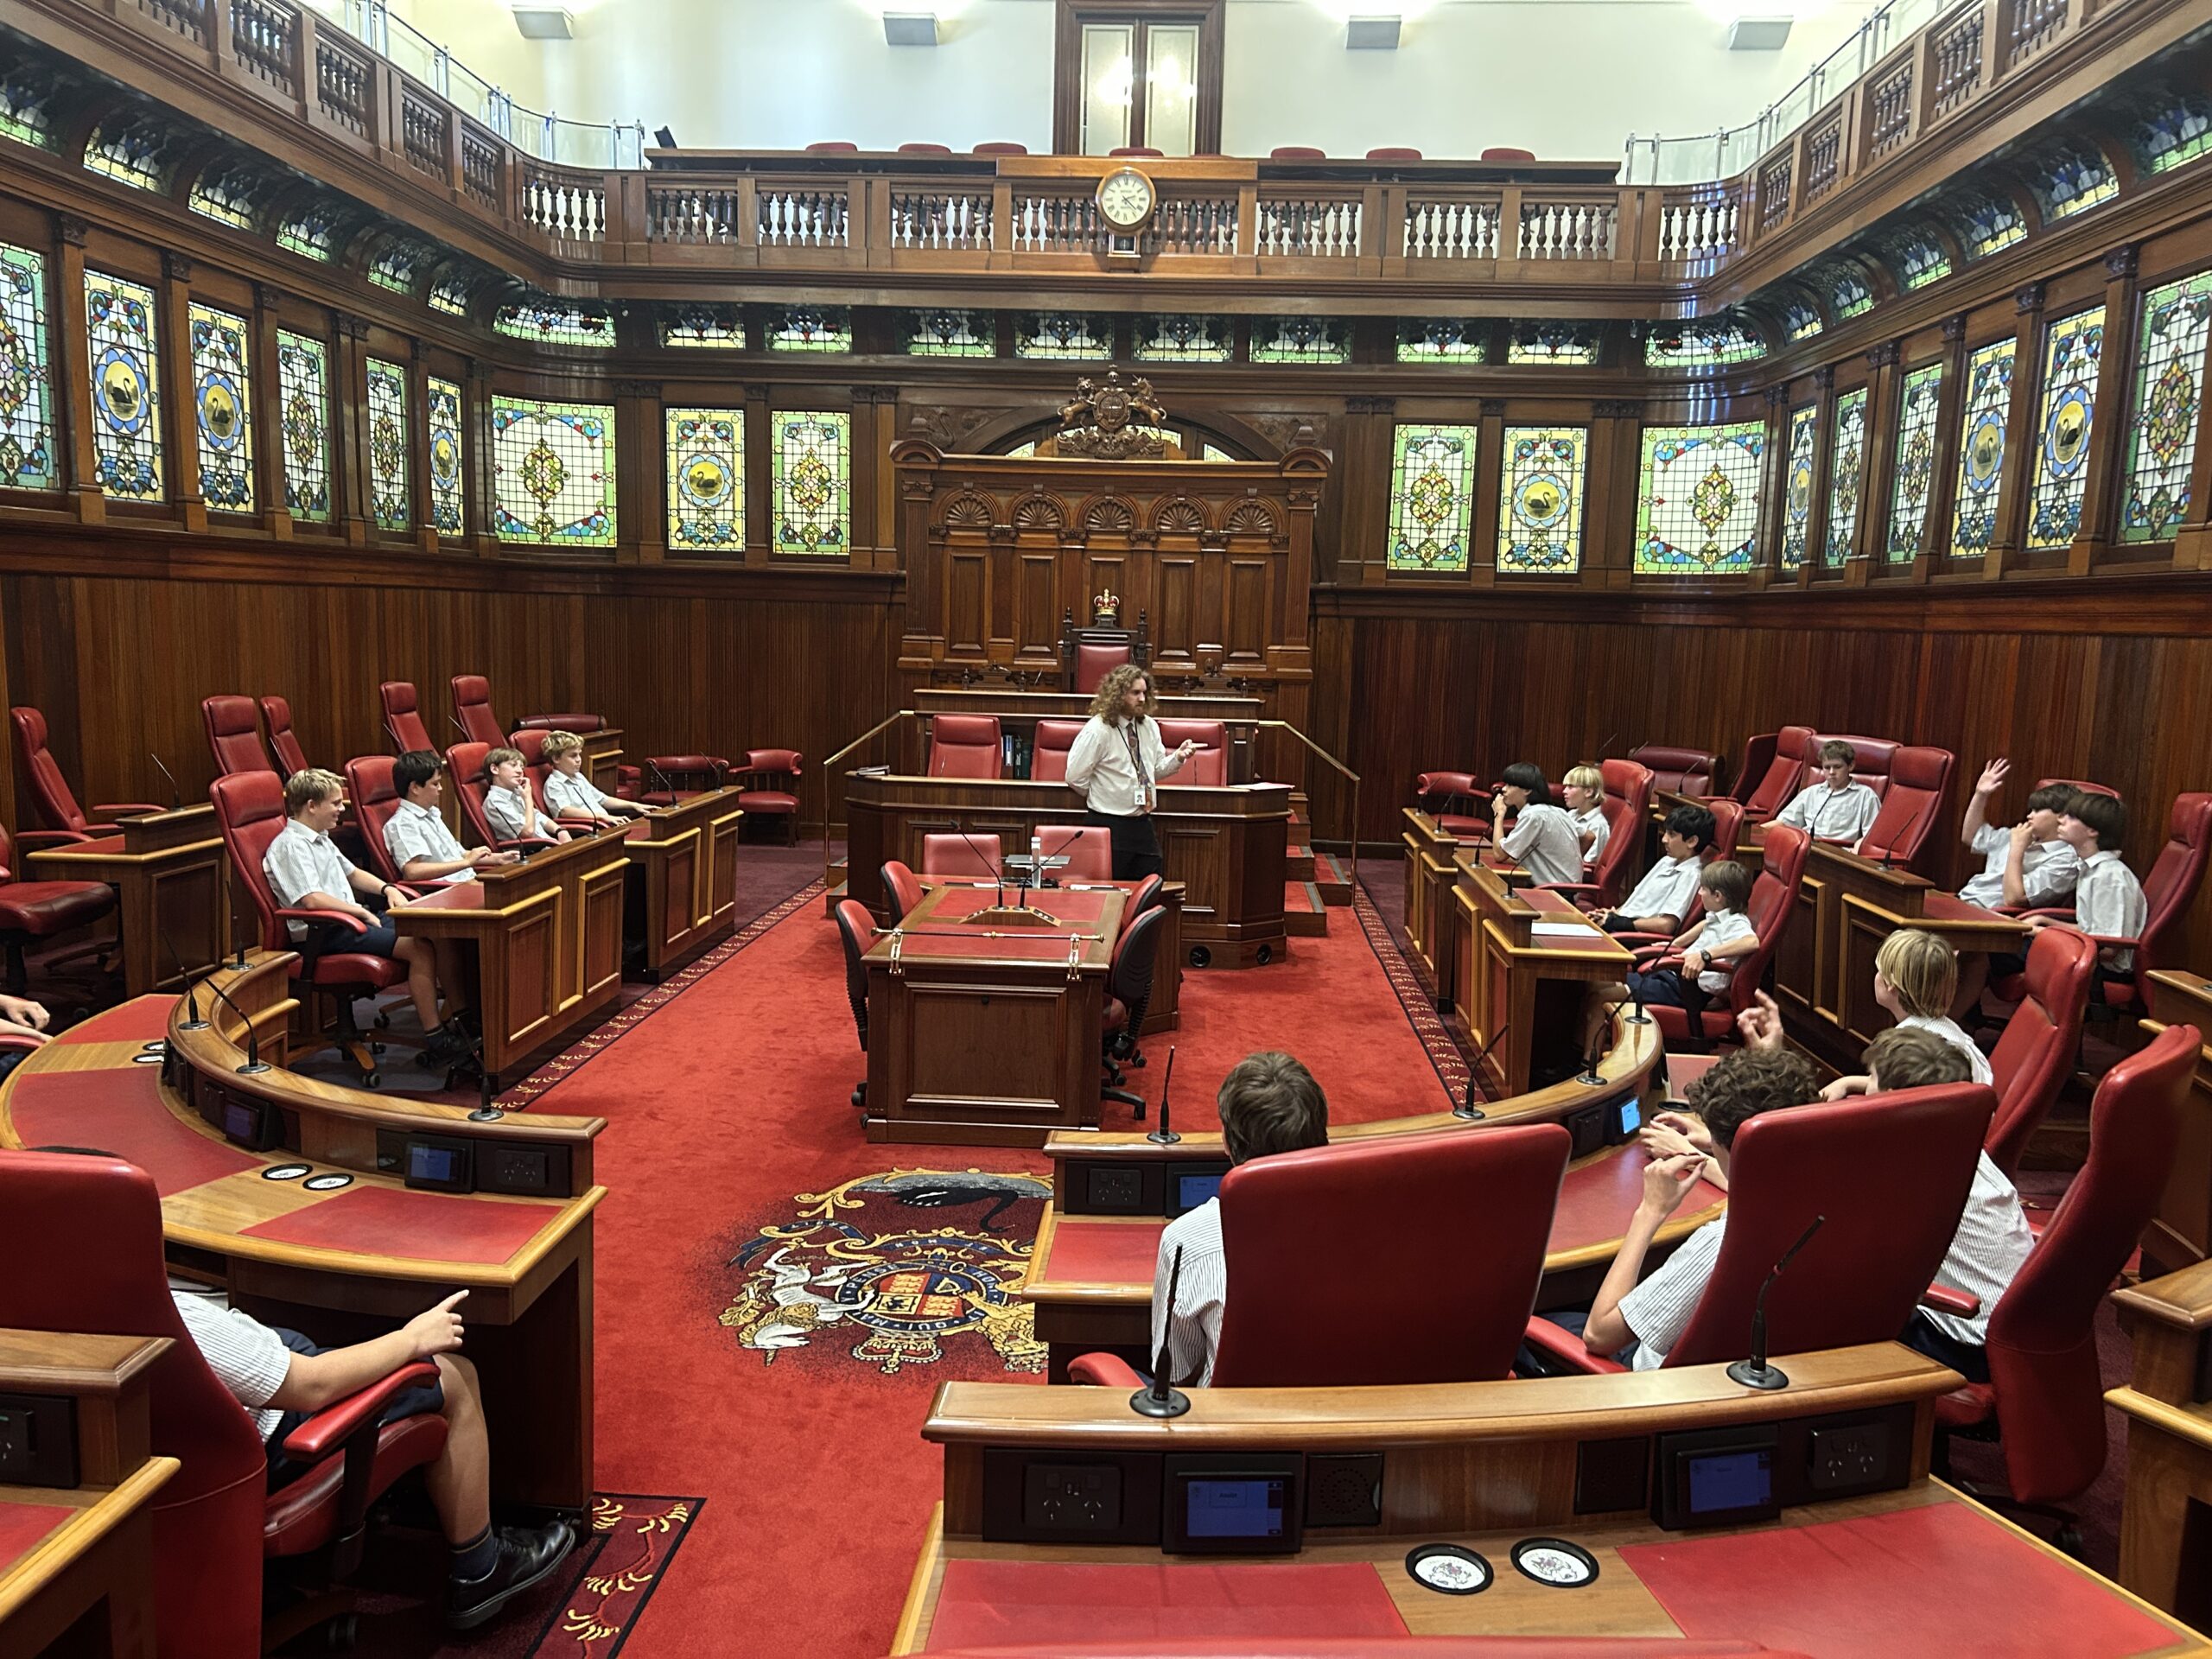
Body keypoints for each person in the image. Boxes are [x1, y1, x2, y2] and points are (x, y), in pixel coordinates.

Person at [168, 1282, 575, 1629]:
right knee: (455, 1374)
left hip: (241, 1409)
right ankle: (480, 1569)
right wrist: (412, 1338)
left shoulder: (131, 1309)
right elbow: (311, 1387)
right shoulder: (177, 1320)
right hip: (281, 1426)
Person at [1572, 1045, 1819, 1370]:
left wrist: (1649, 1213)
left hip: (1657, 1383)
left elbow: (1600, 1335)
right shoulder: (1830, 1200)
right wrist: (1700, 1151)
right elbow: (1757, 1182)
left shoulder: (1724, 1240)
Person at [1853, 1027, 2031, 1383]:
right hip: (2015, 1336)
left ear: (1890, 1097)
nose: (1864, 1091)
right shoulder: (1957, 1143)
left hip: (1967, 1347)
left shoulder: (1905, 1169)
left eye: (1870, 1080)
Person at [264, 768, 472, 1065]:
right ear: (311, 805)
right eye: (335, 803)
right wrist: (359, 911)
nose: (341, 809)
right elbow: (312, 899)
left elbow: (353, 874)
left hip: (350, 921)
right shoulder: (290, 846)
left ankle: (464, 1020)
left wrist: (388, 889)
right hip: (326, 932)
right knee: (419, 948)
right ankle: (437, 1039)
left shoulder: (320, 838)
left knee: (434, 929)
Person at [1151, 1052, 1330, 1386]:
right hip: (1352, 1414)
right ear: (1322, 1137)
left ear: (1228, 1145)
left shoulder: (1185, 1240)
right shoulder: (1372, 1226)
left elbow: (1177, 1373)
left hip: (1229, 1418)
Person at [1582, 861, 1757, 1051]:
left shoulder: (1736, 923)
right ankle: (1578, 1051)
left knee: (1601, 997)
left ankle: (1588, 1062)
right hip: (1671, 978)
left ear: (1717, 896)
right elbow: (1704, 926)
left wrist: (1705, 955)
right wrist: (1674, 945)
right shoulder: (1716, 918)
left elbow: (1751, 942)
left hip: (1685, 990)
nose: (1700, 893)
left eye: (1703, 889)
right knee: (1595, 982)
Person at [1951, 762, 2082, 1015]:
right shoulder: (2018, 835)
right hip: (1964, 905)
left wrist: (2017, 850)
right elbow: (1971, 836)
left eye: (2038, 810)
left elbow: (2015, 899)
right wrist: (1980, 795)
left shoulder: (2065, 859)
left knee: (1947, 951)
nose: (2029, 815)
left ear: (2062, 817)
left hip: (1997, 920)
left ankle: (1944, 1023)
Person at [1063, 664, 1197, 880]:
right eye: (1135, 693)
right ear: (1118, 694)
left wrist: (1178, 757)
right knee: (1112, 890)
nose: (1142, 699)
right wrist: (1104, 793)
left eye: (1144, 692)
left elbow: (1154, 771)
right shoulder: (1098, 729)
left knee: (1149, 887)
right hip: (1108, 825)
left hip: (1142, 824)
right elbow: (1074, 777)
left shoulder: (1149, 726)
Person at [1821, 929, 1993, 1095]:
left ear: (1890, 983)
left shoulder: (1910, 1049)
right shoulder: (1947, 1030)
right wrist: (1848, 1082)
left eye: (1879, 970)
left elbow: (1898, 1099)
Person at [385, 751, 520, 885]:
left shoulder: (431, 813)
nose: (440, 788)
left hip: (468, 881)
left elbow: (458, 855)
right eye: (435, 784)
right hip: (449, 889)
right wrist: (467, 863)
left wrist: (498, 859)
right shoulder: (403, 823)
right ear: (415, 788)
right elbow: (412, 871)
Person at [1586, 804, 1719, 935]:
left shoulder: (1691, 875)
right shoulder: (1666, 861)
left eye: (1672, 835)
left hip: (1633, 936)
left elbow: (1666, 925)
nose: (1664, 839)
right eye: (1665, 832)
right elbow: (1636, 901)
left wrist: (1621, 923)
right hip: (1620, 925)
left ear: (1692, 841)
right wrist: (1613, 914)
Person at [1766, 740, 1879, 844]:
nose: (1832, 772)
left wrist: (1857, 850)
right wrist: (1758, 831)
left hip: (1839, 853)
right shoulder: (1811, 792)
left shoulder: (1866, 796)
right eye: (1827, 767)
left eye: (1837, 767)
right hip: (1806, 848)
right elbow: (1784, 822)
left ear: (1850, 766)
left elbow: (1870, 837)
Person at [1491, 762, 1583, 886]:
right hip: (1567, 887)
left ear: (1527, 790)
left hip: (1553, 891)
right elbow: (1588, 836)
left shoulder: (1533, 816)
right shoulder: (1558, 811)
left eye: (1510, 785)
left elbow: (1499, 854)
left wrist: (1499, 815)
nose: (1504, 789)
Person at [540, 732, 648, 827]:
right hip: (589, 829)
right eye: (573, 756)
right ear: (556, 758)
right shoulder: (554, 784)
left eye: (579, 755)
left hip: (605, 823)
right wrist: (602, 817)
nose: (578, 760)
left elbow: (603, 799)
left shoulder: (578, 777)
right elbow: (564, 811)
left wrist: (634, 805)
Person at [482, 747, 569, 846]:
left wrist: (559, 830)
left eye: (522, 767)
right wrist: (528, 799)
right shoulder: (495, 801)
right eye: (513, 765)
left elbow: (537, 816)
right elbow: (527, 832)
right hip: (531, 851)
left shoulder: (516, 793)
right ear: (495, 769)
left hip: (549, 844)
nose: (520, 771)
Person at [1560, 764, 1611, 868]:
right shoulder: (1572, 814)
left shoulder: (1598, 826)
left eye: (1571, 787)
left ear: (1588, 792)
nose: (1564, 791)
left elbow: (1588, 864)